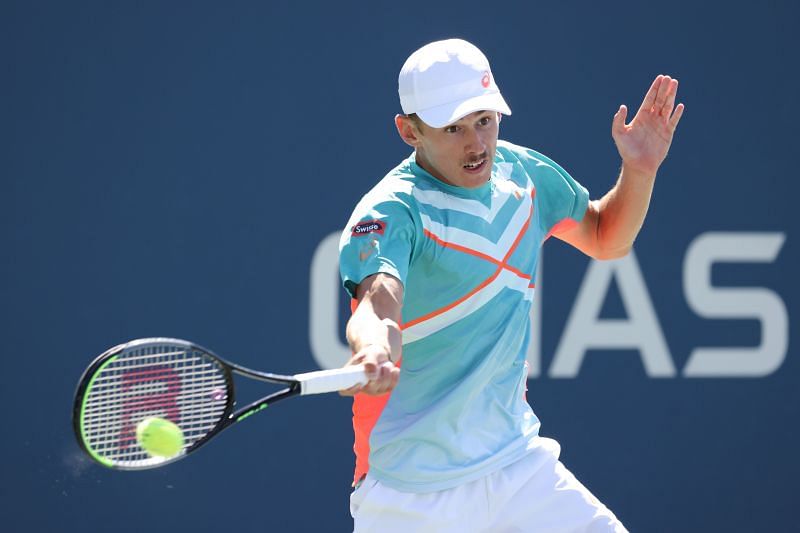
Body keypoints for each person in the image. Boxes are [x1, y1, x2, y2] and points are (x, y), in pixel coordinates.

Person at [337, 38, 683, 532]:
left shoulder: (527, 177)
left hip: (516, 465)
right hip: (408, 490)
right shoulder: (391, 210)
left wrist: (640, 170)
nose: (475, 143)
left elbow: (606, 237)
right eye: (452, 128)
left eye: (484, 119)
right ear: (408, 131)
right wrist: (373, 347)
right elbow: (378, 300)